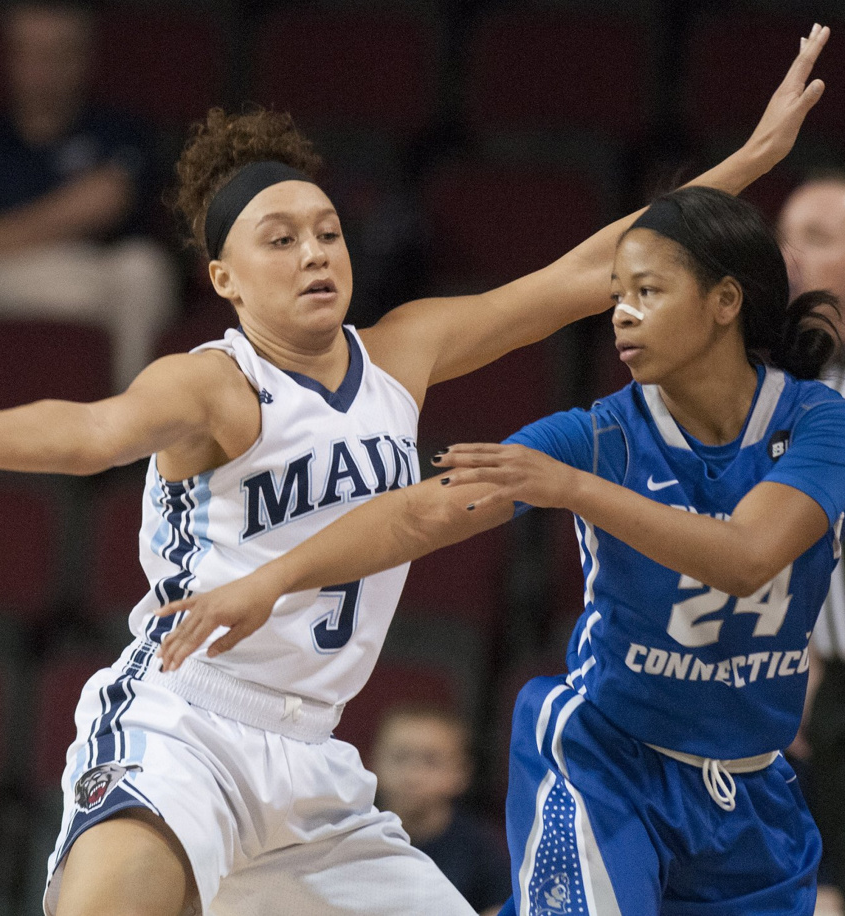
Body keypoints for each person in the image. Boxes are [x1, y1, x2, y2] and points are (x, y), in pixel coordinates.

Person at [0, 26, 828, 916]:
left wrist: (743, 162)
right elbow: (93, 430)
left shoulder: (405, 346)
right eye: (281, 240)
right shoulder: (213, 386)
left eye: (326, 230)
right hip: (183, 725)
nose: (316, 251)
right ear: (225, 278)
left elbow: (591, 272)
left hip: (313, 760)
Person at [151, 65, 845, 916]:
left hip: (752, 786)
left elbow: (747, 558)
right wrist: (269, 578)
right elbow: (423, 510)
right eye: (619, 298)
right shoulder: (593, 433)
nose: (619, 313)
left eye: (647, 296)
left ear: (724, 302)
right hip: (610, 761)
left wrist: (751, 158)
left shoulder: (818, 422)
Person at [0, 0, 176, 401]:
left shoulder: (119, 131)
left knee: (144, 271)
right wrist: (65, 214)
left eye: (58, 54)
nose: (42, 70)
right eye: (29, 53)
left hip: (84, 276)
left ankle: (133, 437)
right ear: (10, 58)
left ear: (83, 59)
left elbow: (109, 202)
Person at [779, 175, 845, 906]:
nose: (792, 256)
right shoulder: (786, 377)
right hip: (821, 679)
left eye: (819, 240)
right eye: (787, 236)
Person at [371, 703, 511, 915]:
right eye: (400, 758)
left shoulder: (481, 850)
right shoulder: (349, 833)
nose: (413, 775)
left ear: (461, 773)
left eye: (431, 761)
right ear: (373, 762)